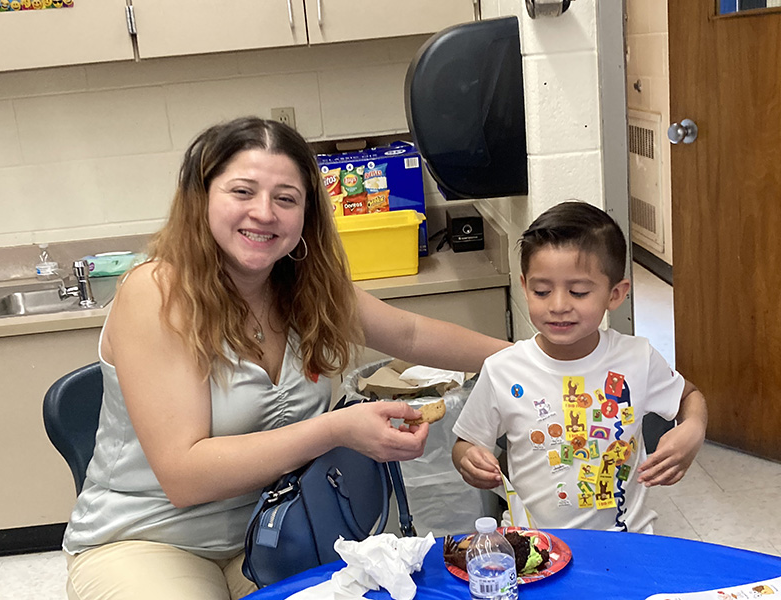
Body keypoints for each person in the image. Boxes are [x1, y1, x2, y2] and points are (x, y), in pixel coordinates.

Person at [62, 116, 511, 600]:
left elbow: (410, 332)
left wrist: (531, 360)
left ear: (306, 215)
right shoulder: (158, 292)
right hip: (149, 541)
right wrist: (338, 429)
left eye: (285, 198)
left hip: (279, 533)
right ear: (202, 198)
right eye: (242, 192)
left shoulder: (304, 285)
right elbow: (184, 475)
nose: (264, 213)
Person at [452, 201, 707, 533]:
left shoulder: (636, 358)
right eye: (541, 291)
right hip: (535, 544)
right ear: (525, 286)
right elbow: (465, 442)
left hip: (627, 541)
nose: (559, 306)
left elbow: (690, 397)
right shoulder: (503, 370)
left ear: (615, 294)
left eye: (579, 291)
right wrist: (467, 459)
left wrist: (693, 429)